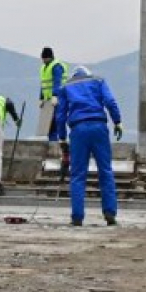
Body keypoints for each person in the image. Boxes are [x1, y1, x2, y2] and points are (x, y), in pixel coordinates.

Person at [55, 65, 123, 227]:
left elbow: (60, 115)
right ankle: (109, 213)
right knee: (105, 170)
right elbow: (110, 101)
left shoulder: (66, 87)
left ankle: (77, 217)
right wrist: (117, 121)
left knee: (78, 174)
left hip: (78, 130)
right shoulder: (98, 81)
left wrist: (62, 138)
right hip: (99, 127)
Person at [39, 47, 69, 176]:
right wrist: (40, 97)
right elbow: (43, 84)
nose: (44, 60)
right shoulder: (44, 68)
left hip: (58, 99)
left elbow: (57, 82)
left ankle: (59, 150)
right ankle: (53, 147)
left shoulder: (56, 66)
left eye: (46, 58)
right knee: (49, 126)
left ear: (50, 57)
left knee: (57, 123)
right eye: (43, 58)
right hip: (48, 102)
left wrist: (55, 95)